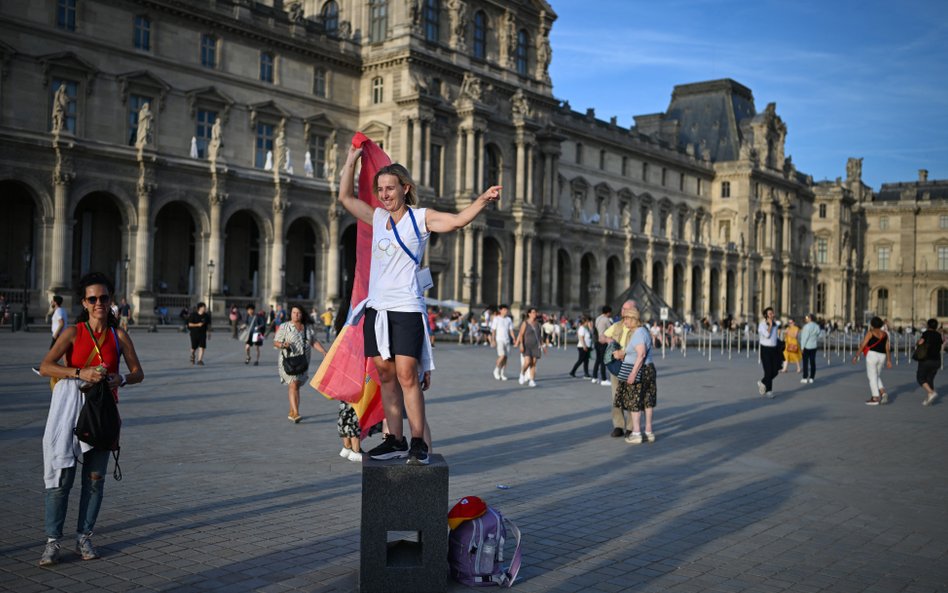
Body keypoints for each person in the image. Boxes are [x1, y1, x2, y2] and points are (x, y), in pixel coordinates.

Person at [337, 143, 501, 465]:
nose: (384, 194)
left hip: (406, 308)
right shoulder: (378, 217)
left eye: (390, 188)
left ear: (405, 188)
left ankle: (417, 442)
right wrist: (350, 161)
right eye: (380, 189)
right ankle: (394, 439)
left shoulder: (420, 218)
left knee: (407, 375)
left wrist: (482, 200)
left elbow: (456, 221)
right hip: (377, 309)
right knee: (385, 375)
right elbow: (345, 198)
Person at [37, 272, 144, 566]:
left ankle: (84, 536)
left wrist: (119, 378)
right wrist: (78, 373)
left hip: (102, 414)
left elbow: (138, 373)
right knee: (62, 478)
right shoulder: (73, 333)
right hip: (71, 413)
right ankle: (52, 541)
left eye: (104, 298)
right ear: (84, 302)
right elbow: (46, 366)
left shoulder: (118, 335)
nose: (99, 303)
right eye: (93, 299)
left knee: (95, 480)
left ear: (111, 301)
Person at [273, 305, 327, 423]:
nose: (295, 315)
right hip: (288, 361)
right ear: (290, 314)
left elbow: (313, 341)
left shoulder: (307, 328)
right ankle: (296, 413)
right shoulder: (285, 327)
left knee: (296, 385)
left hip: (303, 361)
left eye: (298, 313)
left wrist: (323, 351)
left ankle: (292, 410)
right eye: (293, 312)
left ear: (302, 314)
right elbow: (276, 342)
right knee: (293, 384)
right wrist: (283, 345)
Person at [613, 309, 657, 444]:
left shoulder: (638, 333)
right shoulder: (643, 331)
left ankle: (637, 433)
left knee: (634, 401)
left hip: (638, 370)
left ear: (632, 319)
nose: (624, 321)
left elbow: (641, 354)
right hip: (648, 369)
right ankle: (649, 432)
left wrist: (633, 373)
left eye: (625, 319)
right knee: (647, 401)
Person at [603, 300, 638, 437]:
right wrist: (608, 340)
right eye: (623, 308)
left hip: (631, 366)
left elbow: (643, 348)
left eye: (626, 309)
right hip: (616, 366)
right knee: (616, 397)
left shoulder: (639, 329)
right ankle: (618, 425)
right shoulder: (617, 326)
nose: (623, 311)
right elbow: (603, 336)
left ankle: (630, 427)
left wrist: (625, 354)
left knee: (631, 397)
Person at [852, 316, 892, 405]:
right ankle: (883, 393)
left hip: (872, 355)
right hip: (882, 356)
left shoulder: (870, 333)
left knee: (872, 376)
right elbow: (887, 348)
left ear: (872, 324)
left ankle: (875, 398)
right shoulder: (885, 334)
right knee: (876, 375)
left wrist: (856, 356)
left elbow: (862, 345)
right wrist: (889, 360)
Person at [915, 318, 942, 406]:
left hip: (926, 359)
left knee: (920, 378)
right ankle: (929, 398)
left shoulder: (926, 333)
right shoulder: (939, 335)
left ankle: (931, 392)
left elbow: (920, 343)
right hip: (937, 360)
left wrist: (918, 342)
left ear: (928, 325)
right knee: (930, 379)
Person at [514, 307, 544, 387]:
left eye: (535, 312)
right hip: (527, 345)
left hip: (535, 345)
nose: (535, 314)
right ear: (529, 314)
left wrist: (543, 345)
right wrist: (521, 344)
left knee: (533, 363)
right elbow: (521, 334)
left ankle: (532, 380)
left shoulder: (537, 324)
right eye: (533, 312)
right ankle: (522, 373)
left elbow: (539, 336)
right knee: (527, 362)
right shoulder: (525, 323)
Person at [757, 307, 781, 398]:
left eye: (772, 313)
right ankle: (769, 391)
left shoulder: (775, 325)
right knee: (768, 371)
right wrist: (770, 326)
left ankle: (762, 382)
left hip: (774, 350)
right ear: (766, 315)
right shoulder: (762, 325)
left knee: (775, 371)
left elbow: (775, 337)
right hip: (765, 349)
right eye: (770, 313)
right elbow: (767, 335)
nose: (772, 315)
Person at [490, 304, 515, 380]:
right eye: (504, 310)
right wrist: (493, 340)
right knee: (502, 355)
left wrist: (514, 338)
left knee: (506, 358)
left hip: (507, 339)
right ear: (500, 310)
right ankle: (496, 370)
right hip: (499, 339)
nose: (506, 311)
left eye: (506, 310)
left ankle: (502, 373)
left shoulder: (509, 319)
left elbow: (511, 330)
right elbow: (493, 330)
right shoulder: (496, 319)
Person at [592, 306, 613, 386]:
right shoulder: (606, 320)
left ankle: (594, 377)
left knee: (598, 360)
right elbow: (611, 329)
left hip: (597, 341)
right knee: (603, 360)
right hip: (603, 341)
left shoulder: (598, 318)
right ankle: (604, 379)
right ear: (608, 312)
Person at [569, 315, 593, 379]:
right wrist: (584, 346)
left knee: (586, 361)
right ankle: (572, 371)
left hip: (587, 346)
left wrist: (590, 328)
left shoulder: (586, 328)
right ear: (584, 322)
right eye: (587, 322)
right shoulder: (582, 328)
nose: (588, 323)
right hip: (582, 347)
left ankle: (586, 373)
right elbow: (581, 338)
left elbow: (591, 336)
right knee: (580, 360)